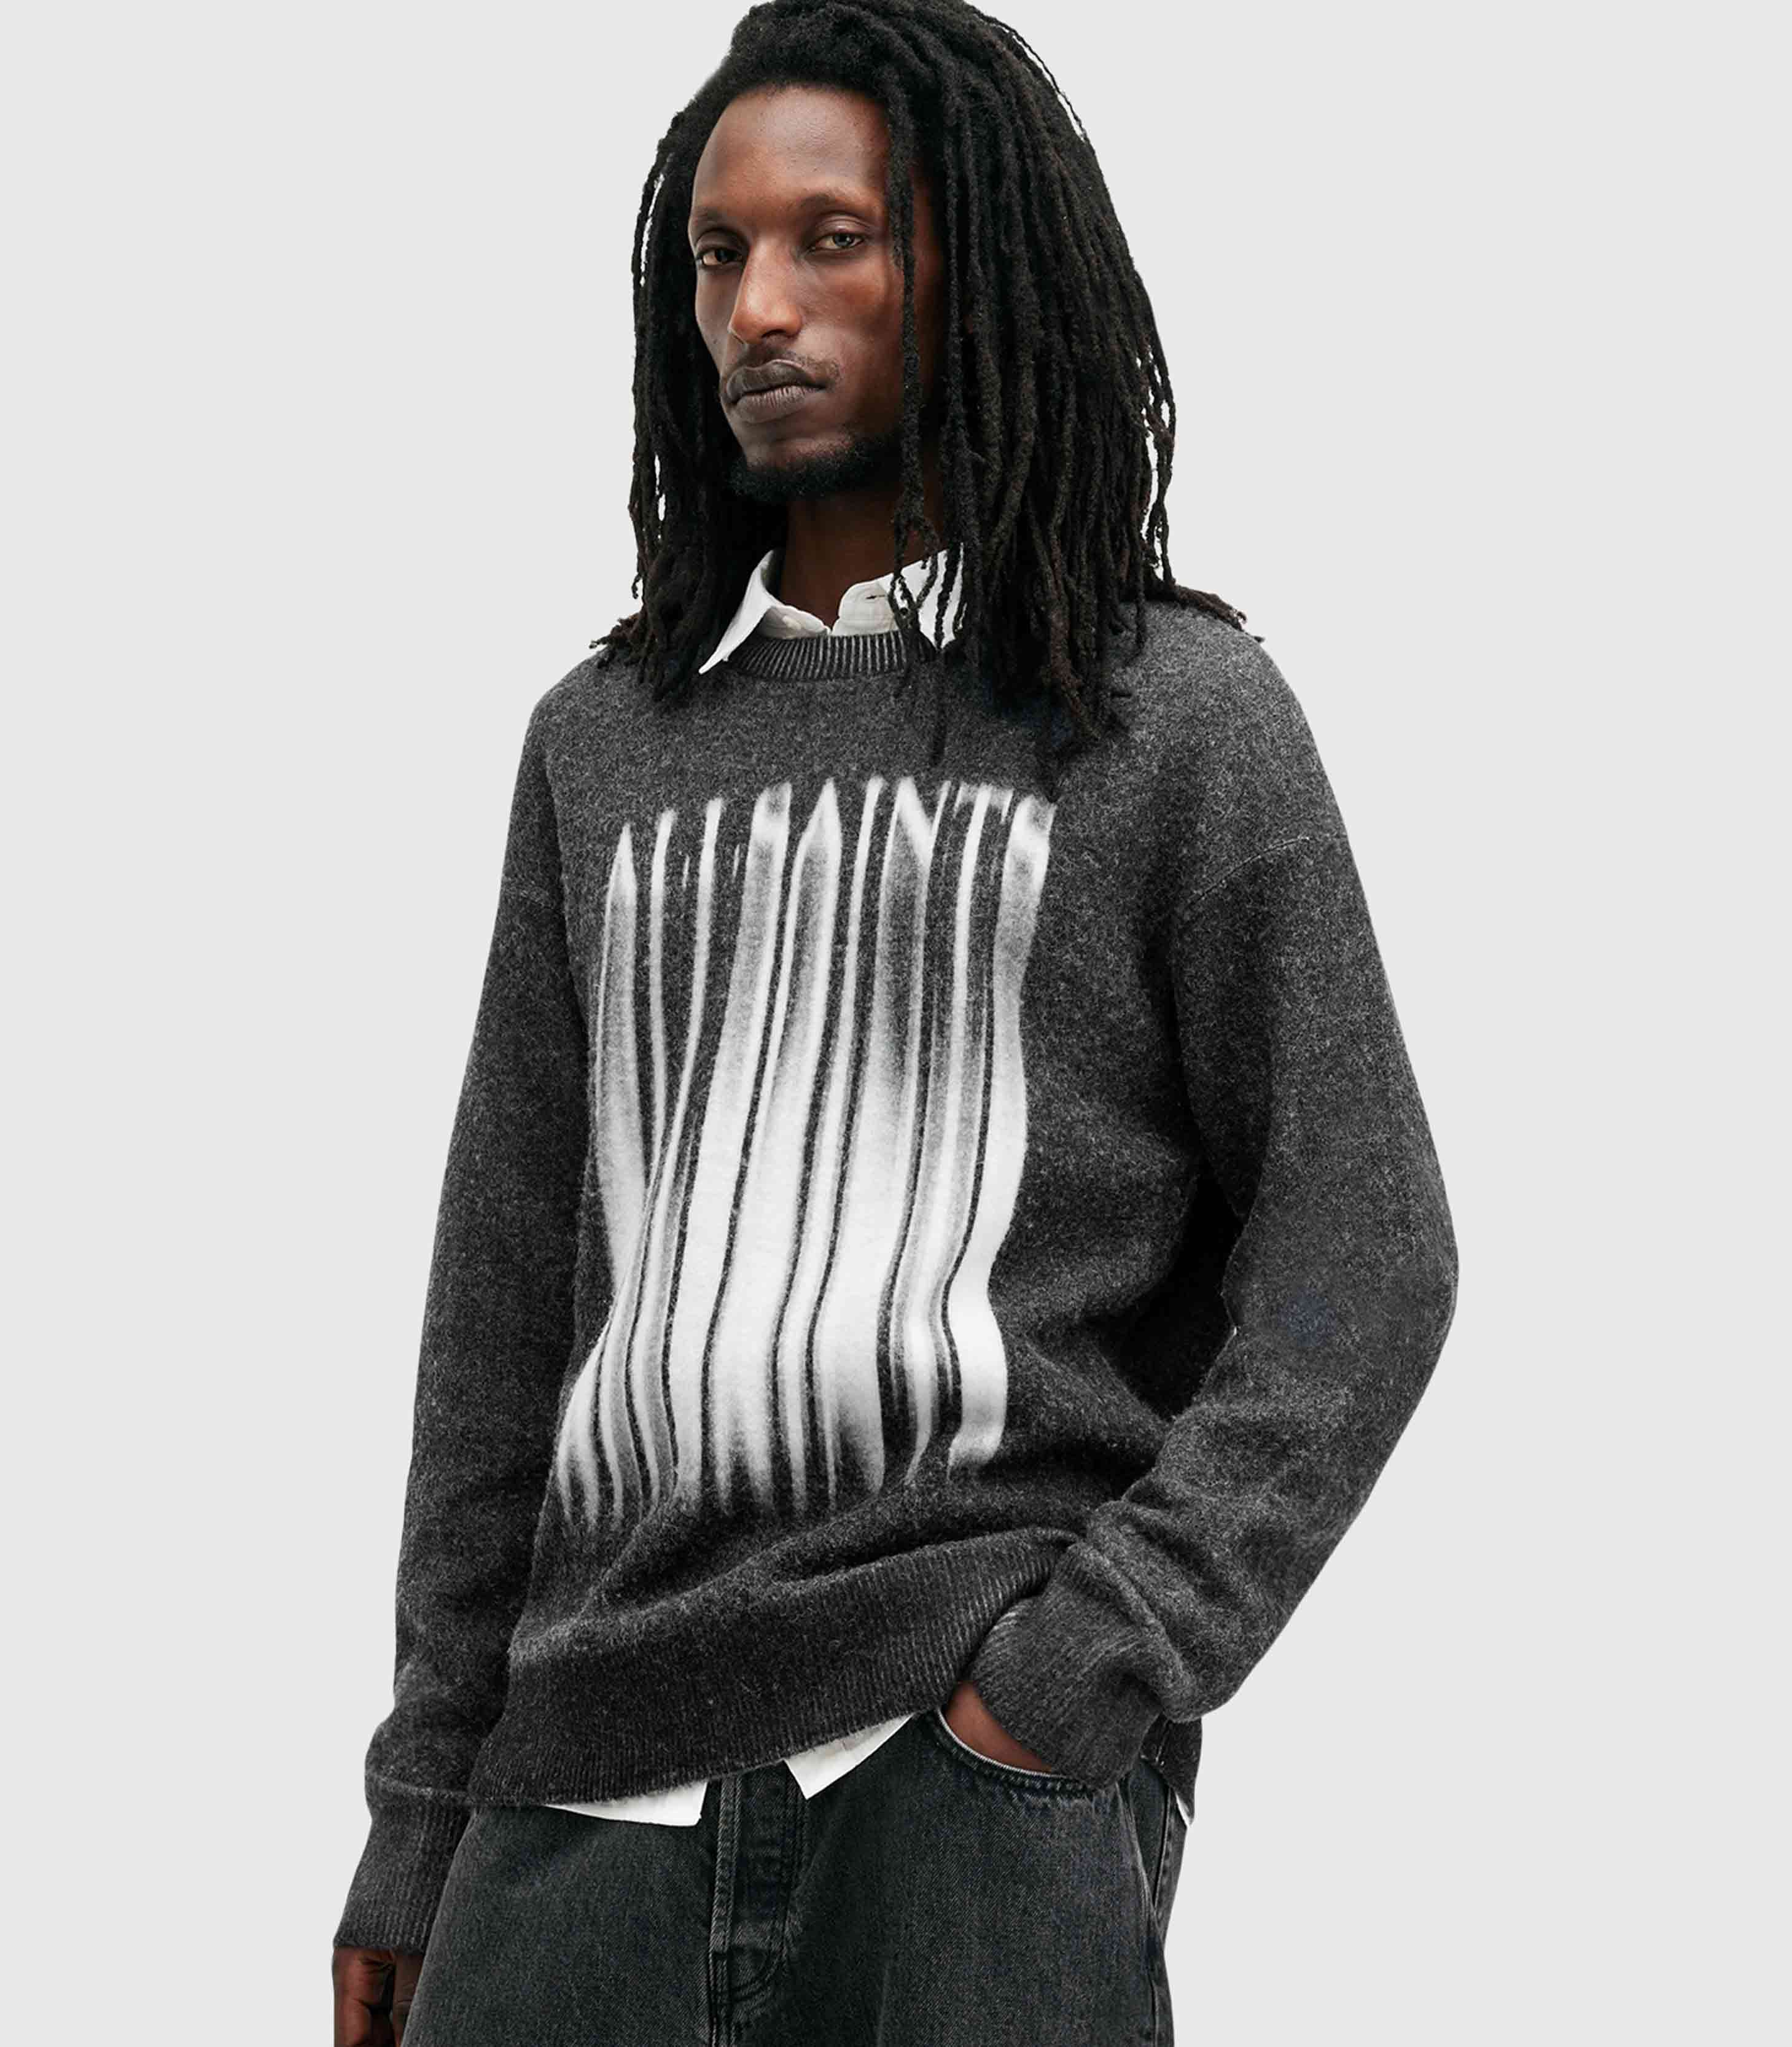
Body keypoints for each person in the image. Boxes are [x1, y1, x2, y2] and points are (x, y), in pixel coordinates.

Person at [331, 2, 1460, 2040]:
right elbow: (497, 1330)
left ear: (976, 264)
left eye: (830, 240)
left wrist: (1080, 1678)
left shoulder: (1174, 720)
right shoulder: (600, 744)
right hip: (571, 1806)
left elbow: (1364, 1250)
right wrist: (422, 1818)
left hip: (965, 1787)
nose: (757, 308)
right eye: (717, 253)